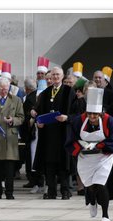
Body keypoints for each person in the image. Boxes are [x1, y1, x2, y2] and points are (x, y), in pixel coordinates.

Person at [65, 87, 113, 221]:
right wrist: (81, 147)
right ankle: (92, 201)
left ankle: (105, 214)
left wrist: (98, 146)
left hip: (104, 157)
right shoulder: (79, 121)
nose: (92, 117)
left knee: (101, 184)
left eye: (95, 115)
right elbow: (70, 140)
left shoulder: (110, 121)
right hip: (85, 158)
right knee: (90, 186)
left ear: (101, 113)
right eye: (90, 114)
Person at [31, 66, 76, 200]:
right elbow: (38, 113)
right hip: (48, 136)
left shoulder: (69, 92)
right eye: (53, 75)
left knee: (63, 164)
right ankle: (51, 191)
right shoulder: (45, 93)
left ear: (62, 76)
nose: (55, 77)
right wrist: (38, 122)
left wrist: (67, 118)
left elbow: (77, 114)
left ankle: (65, 191)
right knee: (49, 163)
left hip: (63, 133)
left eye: (58, 75)